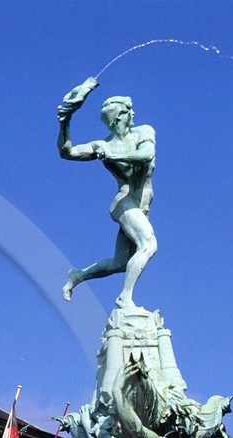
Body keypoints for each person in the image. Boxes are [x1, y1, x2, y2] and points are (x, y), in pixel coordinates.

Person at [57, 86, 156, 311]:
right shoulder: (102, 145)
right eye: (130, 111)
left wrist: (114, 155)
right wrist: (66, 120)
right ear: (120, 115)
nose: (133, 115)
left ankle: (77, 276)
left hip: (142, 206)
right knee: (149, 244)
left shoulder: (144, 132)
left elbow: (146, 155)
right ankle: (125, 298)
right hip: (124, 203)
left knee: (119, 263)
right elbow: (67, 152)